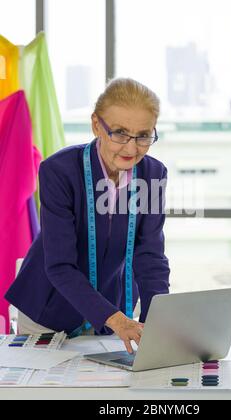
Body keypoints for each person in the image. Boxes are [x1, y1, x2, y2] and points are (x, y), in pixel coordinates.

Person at [5, 78, 170, 353]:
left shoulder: (153, 174)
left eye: (143, 135)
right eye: (119, 133)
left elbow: (150, 256)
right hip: (48, 309)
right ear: (96, 125)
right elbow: (60, 265)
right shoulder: (59, 172)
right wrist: (116, 319)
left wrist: (158, 323)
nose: (131, 149)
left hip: (112, 308)